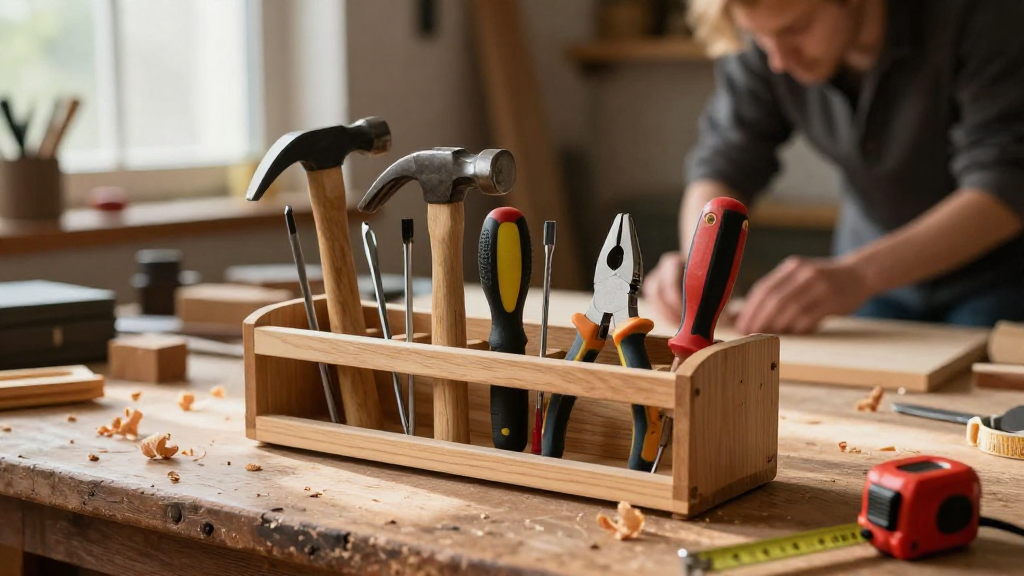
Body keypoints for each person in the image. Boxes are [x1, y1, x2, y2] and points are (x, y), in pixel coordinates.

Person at [642, 0, 1024, 335]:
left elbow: (1004, 183)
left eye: (797, 29)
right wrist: (700, 264)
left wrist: (859, 276)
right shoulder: (769, 37)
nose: (778, 60)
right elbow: (726, 158)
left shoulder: (984, 14)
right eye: (759, 37)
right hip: (865, 280)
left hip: (996, 282)